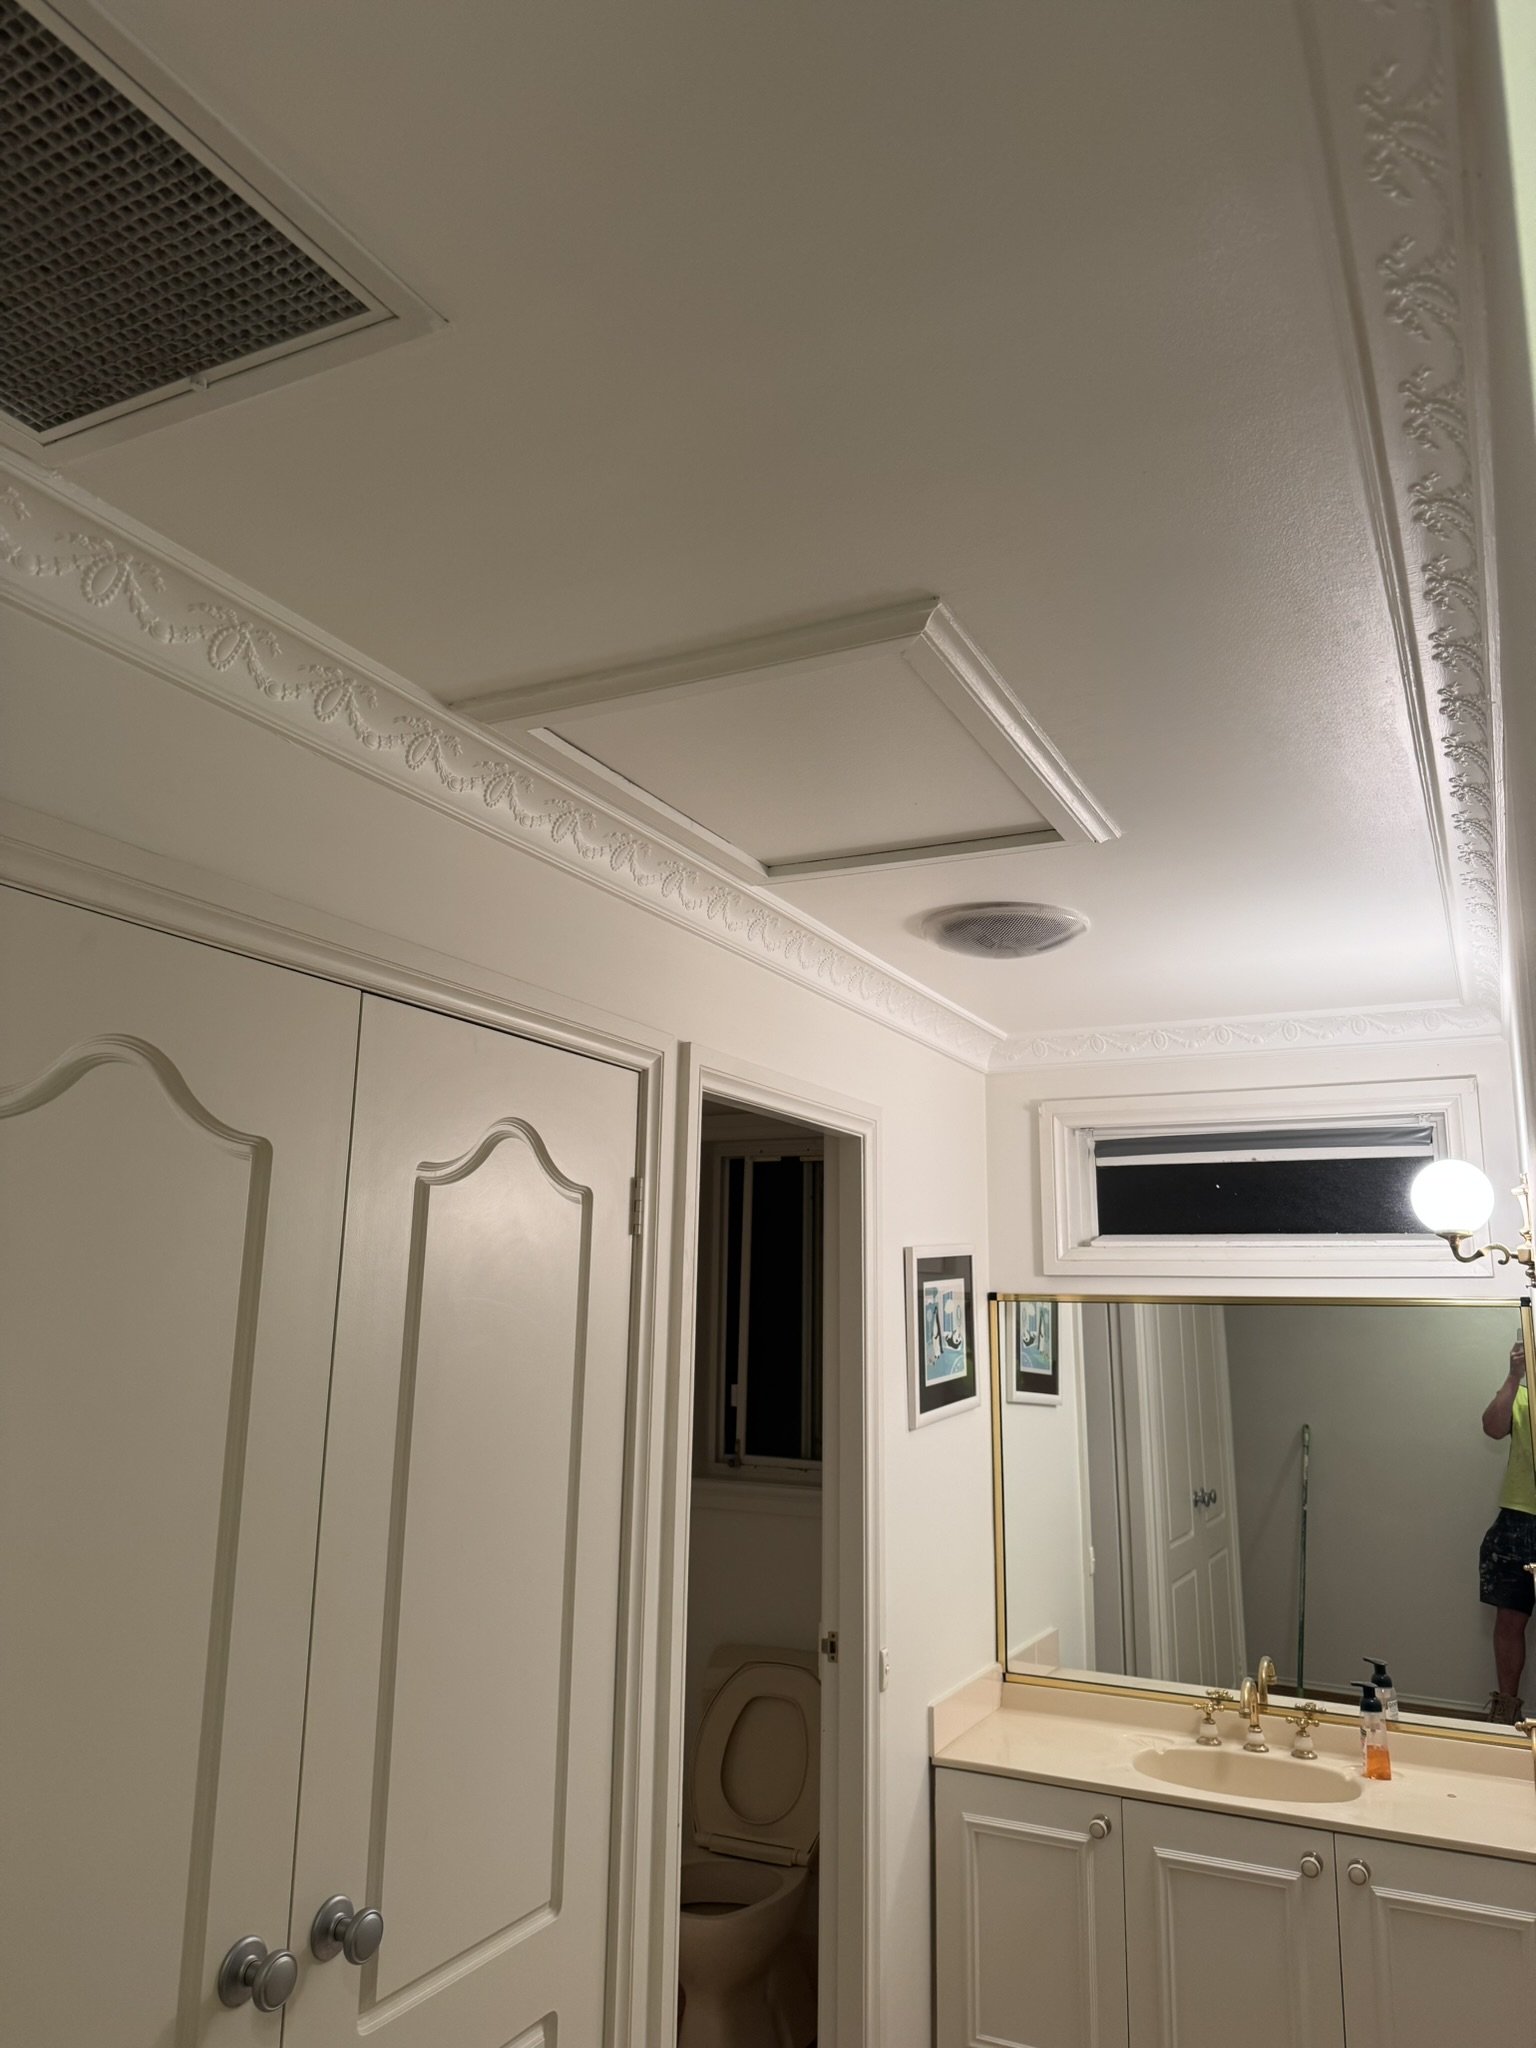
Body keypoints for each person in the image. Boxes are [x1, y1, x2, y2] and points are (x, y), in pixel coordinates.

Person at [1479, 1333, 1536, 1722]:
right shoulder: (1521, 1397)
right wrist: (1514, 1375)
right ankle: (1506, 1714)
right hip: (1518, 1519)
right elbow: (1492, 1428)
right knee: (1510, 1621)